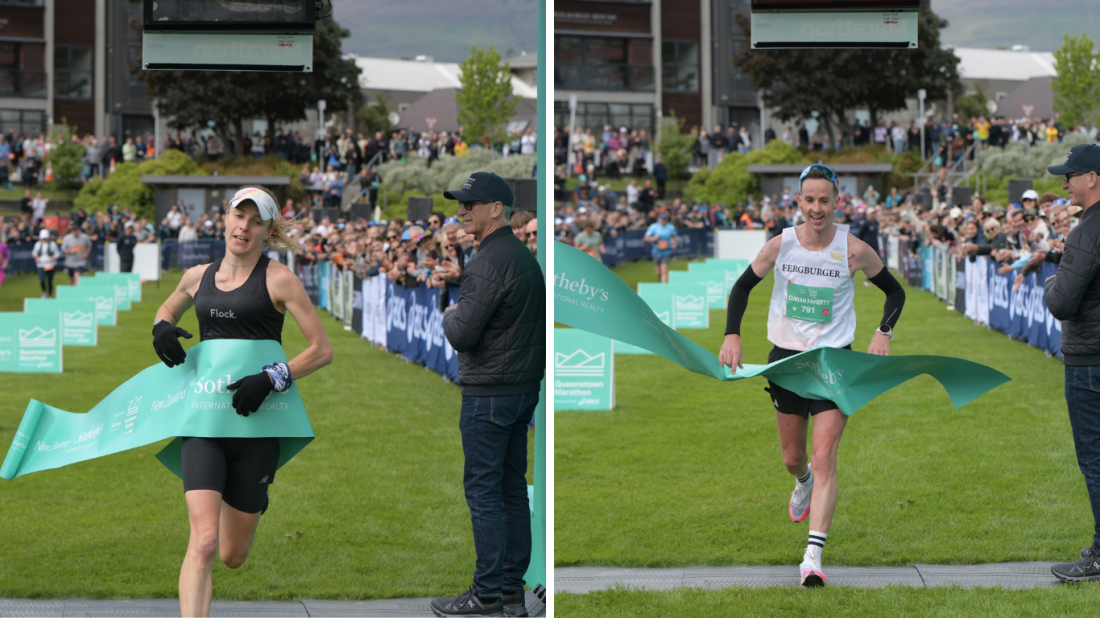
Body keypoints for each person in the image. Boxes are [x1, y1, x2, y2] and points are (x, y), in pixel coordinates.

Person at [718, 164, 906, 588]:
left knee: (825, 458)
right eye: (810, 200)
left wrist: (883, 331)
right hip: (786, 362)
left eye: (825, 200)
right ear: (798, 201)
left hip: (834, 364)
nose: (817, 208)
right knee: (794, 459)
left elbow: (895, 291)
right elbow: (741, 288)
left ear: (837, 201)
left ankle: (813, 556)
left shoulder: (855, 249)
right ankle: (800, 482)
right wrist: (732, 334)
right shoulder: (780, 244)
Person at [151, 186, 333, 617]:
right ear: (226, 217)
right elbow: (169, 306)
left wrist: (274, 376)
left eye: (256, 221)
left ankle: (253, 494)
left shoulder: (279, 279)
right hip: (204, 423)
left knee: (233, 554)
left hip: (257, 424)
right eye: (239, 216)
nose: (244, 227)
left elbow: (321, 349)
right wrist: (161, 326)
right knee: (205, 542)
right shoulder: (197, 276)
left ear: (268, 230)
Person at [435, 172, 545, 617]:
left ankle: (486, 594)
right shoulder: (514, 254)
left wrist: (449, 312)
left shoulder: (489, 259)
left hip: (491, 393)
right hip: (517, 390)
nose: (460, 210)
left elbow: (461, 332)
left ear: (495, 208)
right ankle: (508, 593)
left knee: (485, 492)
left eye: (470, 203)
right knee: (509, 489)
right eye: (461, 203)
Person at [1044, 144, 1100, 582]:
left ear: (1093, 178)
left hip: (1089, 362)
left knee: (1095, 461)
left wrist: (1051, 281)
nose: (1065, 184)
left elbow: (1062, 302)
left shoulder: (1086, 231)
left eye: (1071, 175)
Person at [644, 212, 677, 283]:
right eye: (661, 219)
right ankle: (660, 282)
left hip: (666, 250)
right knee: (658, 272)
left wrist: (674, 243)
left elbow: (674, 236)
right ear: (658, 219)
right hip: (656, 251)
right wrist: (653, 238)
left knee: (664, 271)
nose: (663, 221)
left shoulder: (670, 227)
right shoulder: (653, 227)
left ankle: (663, 287)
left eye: (664, 219)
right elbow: (646, 238)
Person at [32, 229, 60, 298]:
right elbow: (34, 252)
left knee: (50, 280)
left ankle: (50, 294)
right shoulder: (38, 244)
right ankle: (44, 291)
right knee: (42, 279)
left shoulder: (53, 244)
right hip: (41, 264)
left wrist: (53, 257)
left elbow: (57, 253)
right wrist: (36, 256)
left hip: (51, 264)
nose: (45, 239)